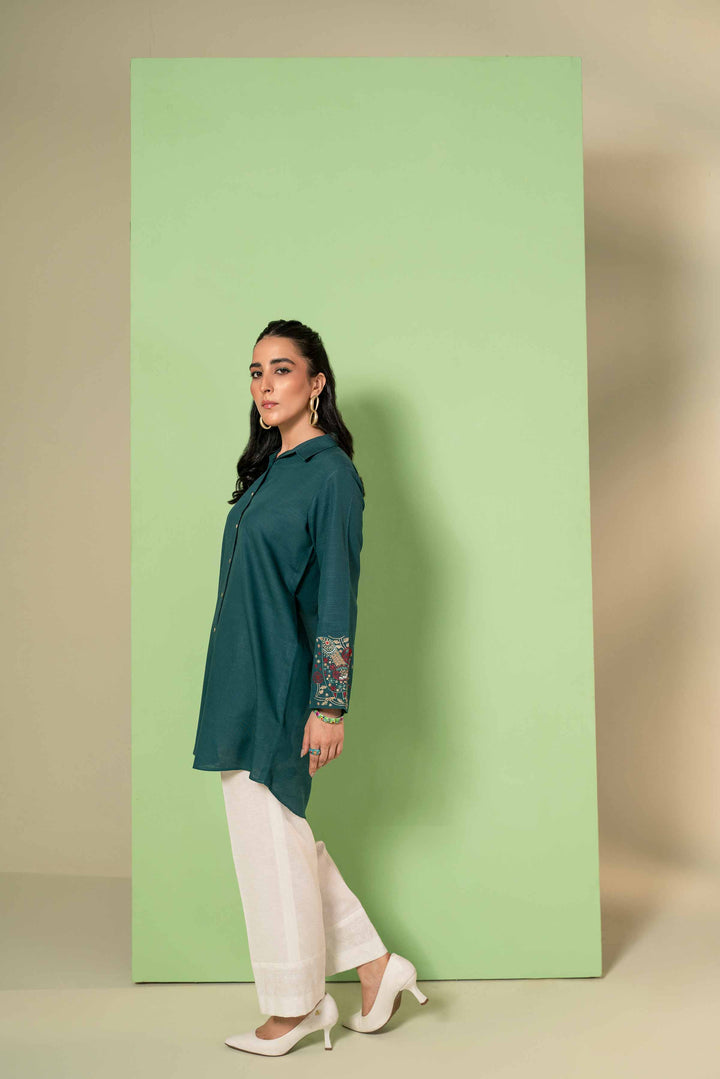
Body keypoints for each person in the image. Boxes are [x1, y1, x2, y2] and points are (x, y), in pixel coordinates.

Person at [192, 319, 429, 1056]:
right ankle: (377, 966)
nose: (265, 385)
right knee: (275, 837)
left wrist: (330, 702)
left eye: (282, 369)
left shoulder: (331, 476)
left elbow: (335, 599)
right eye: (256, 372)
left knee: (272, 842)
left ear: (316, 382)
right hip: (239, 676)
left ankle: (294, 1007)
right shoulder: (269, 470)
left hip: (285, 684)